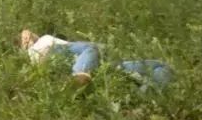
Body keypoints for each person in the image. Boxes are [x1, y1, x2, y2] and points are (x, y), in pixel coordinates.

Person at [19, 29, 173, 90]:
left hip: (95, 61)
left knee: (161, 66)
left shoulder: (44, 37)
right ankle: (79, 75)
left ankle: (146, 96)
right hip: (62, 54)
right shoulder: (37, 47)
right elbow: (25, 32)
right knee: (92, 47)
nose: (29, 35)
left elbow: (27, 31)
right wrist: (27, 40)